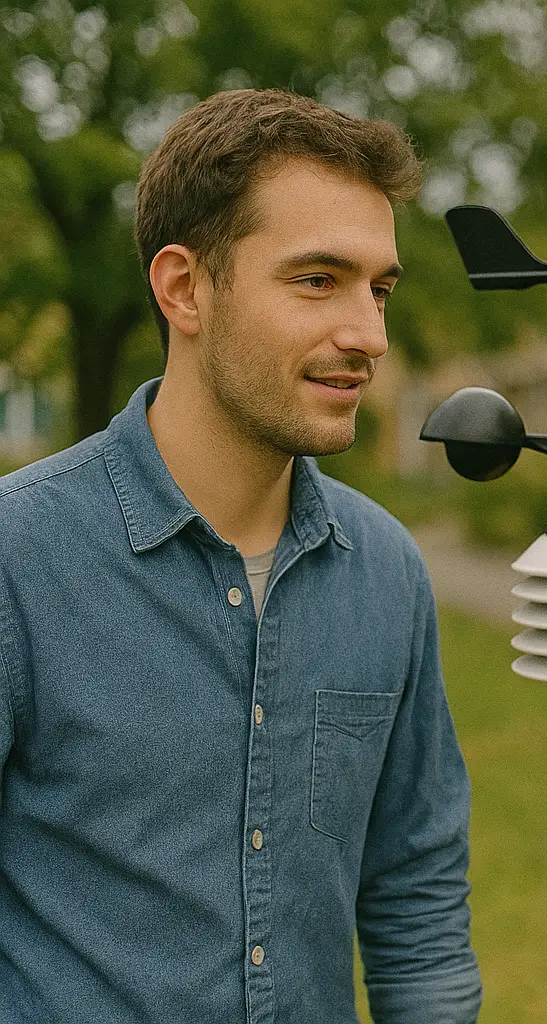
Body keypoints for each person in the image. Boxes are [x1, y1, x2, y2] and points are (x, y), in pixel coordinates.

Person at [0, 89, 481, 1022]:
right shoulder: (20, 556)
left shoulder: (387, 570)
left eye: (379, 288)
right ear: (183, 287)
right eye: (317, 281)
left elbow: (415, 899)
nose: (368, 336)